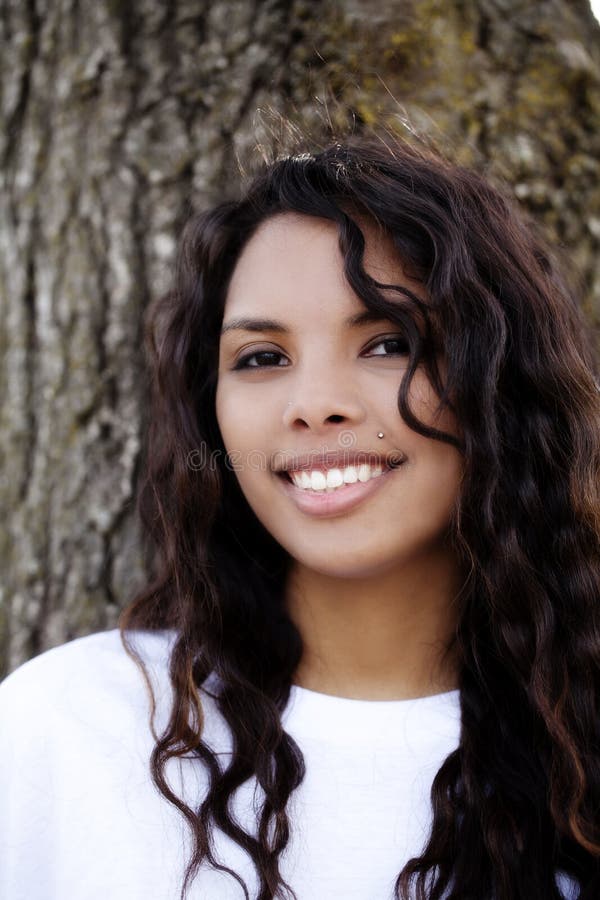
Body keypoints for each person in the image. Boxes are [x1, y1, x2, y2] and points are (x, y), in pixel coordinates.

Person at [0, 133, 598, 900]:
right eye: (261, 358)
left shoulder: (581, 751)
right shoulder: (61, 728)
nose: (314, 404)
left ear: (500, 383)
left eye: (390, 342)